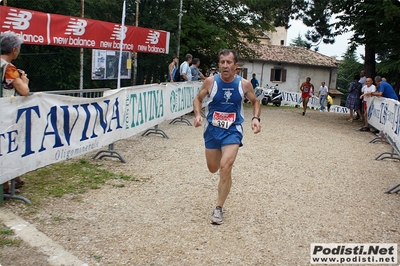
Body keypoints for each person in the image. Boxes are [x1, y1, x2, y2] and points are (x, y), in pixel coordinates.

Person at [193, 49, 261, 225]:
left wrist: (255, 118)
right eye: (222, 62)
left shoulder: (244, 84)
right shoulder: (210, 82)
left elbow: (255, 101)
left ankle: (218, 208)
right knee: (213, 168)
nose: (224, 65)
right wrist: (198, 114)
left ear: (235, 66)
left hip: (233, 129)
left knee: (225, 166)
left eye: (228, 62)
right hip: (212, 130)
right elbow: (198, 99)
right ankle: (226, 177)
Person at [1, 31, 30, 193]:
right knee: (9, 145)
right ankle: (6, 184)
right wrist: (24, 80)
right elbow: (24, 91)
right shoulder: (9, 68)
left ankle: (13, 178)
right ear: (14, 50)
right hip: (6, 113)